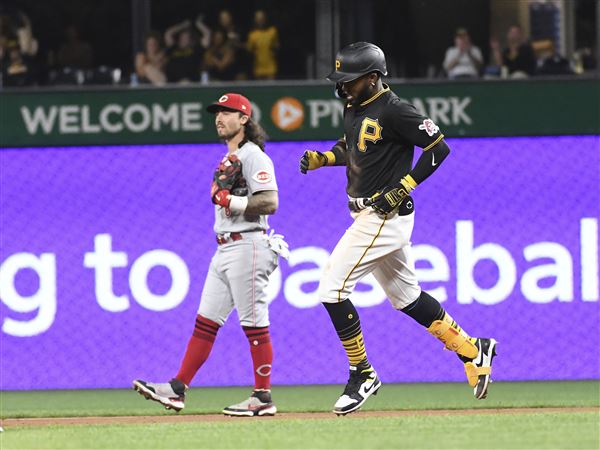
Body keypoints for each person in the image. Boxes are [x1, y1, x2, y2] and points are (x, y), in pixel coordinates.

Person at [300, 42, 498, 416]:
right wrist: (324, 158)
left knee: (331, 288)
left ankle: (362, 373)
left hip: (384, 215)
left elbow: (438, 148)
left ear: (373, 78)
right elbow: (357, 148)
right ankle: (473, 349)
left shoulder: (396, 109)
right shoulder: (354, 106)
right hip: (365, 213)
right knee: (407, 297)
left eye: (350, 80)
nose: (343, 86)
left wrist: (404, 185)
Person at [133, 93, 288, 417]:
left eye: (227, 112)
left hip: (249, 245)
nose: (219, 118)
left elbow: (270, 202)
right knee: (205, 322)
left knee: (254, 324)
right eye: (217, 113)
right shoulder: (232, 157)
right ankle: (177, 389)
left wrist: (232, 201)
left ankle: (262, 397)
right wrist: (228, 199)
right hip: (224, 248)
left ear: (244, 119)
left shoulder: (253, 156)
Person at [246, 10, 279, 80]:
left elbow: (277, 47)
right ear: (255, 20)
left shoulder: (272, 31)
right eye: (258, 19)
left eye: (262, 18)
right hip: (258, 69)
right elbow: (249, 50)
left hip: (271, 68)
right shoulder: (252, 35)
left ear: (265, 19)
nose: (260, 21)